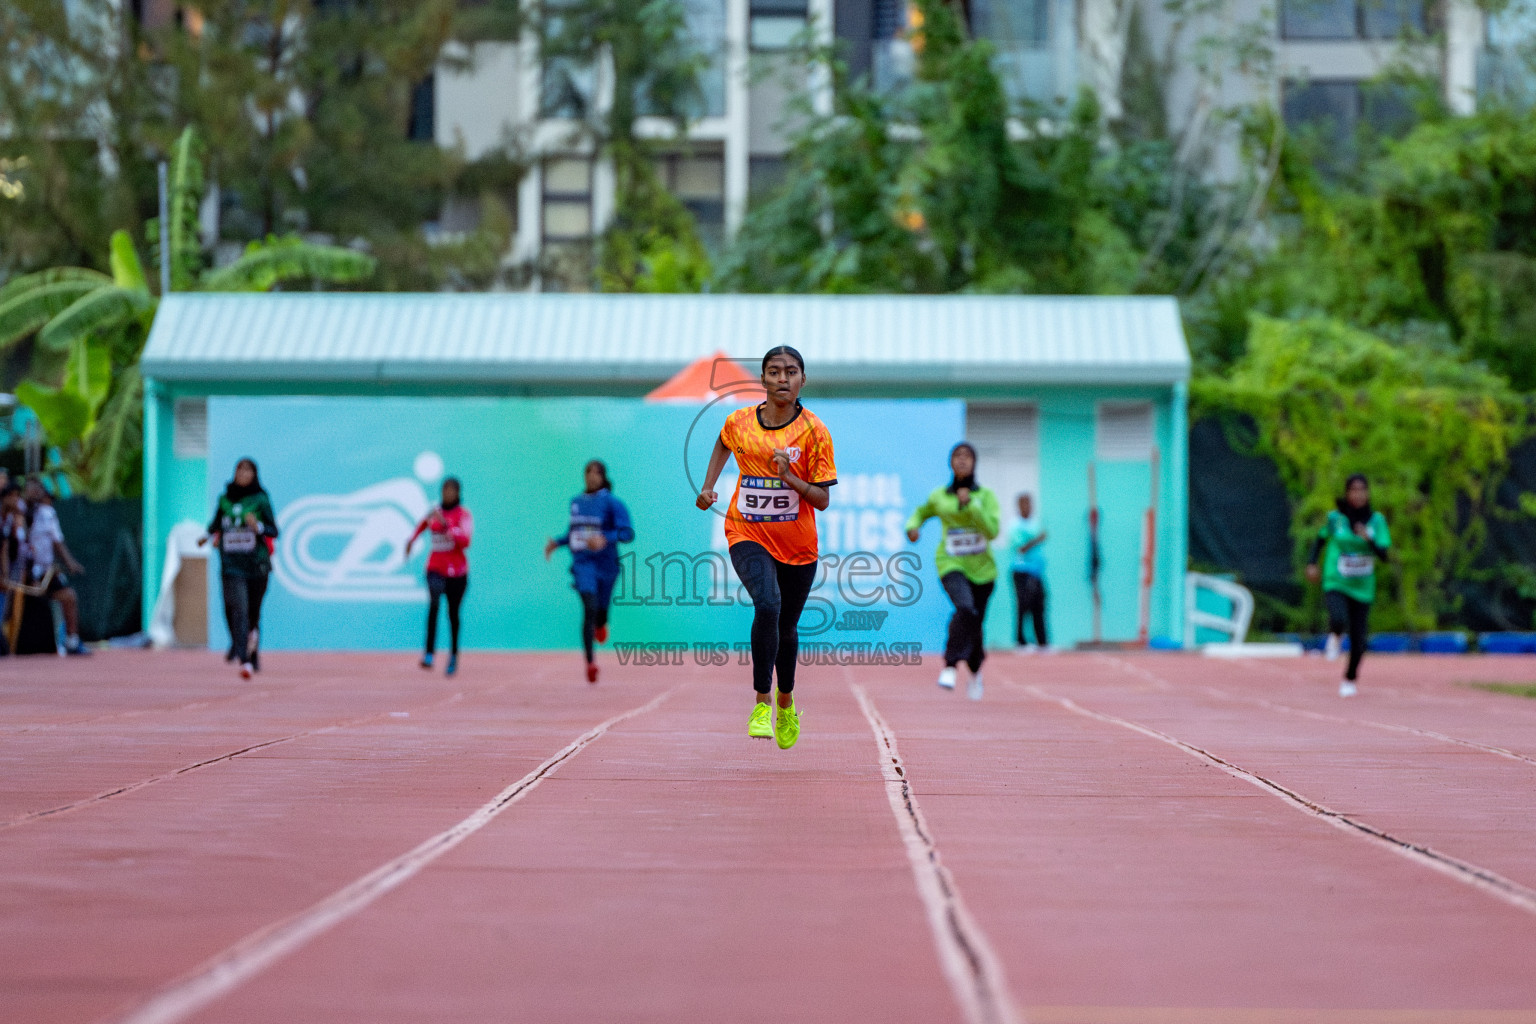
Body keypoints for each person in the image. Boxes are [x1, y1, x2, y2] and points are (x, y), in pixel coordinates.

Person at [696, 345, 836, 749]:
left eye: (790, 372)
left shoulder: (814, 431)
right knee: (768, 605)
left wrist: (789, 476)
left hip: (798, 547)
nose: (782, 378)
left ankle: (786, 702)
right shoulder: (739, 421)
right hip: (747, 533)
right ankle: (761, 703)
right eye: (774, 371)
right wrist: (709, 485)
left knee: (787, 627)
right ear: (762, 379)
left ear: (802, 381)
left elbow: (823, 499)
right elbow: (723, 442)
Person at [906, 443, 1000, 700]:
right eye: (957, 456)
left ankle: (975, 670)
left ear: (974, 462)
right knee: (965, 608)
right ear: (951, 462)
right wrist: (912, 527)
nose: (962, 461)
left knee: (975, 621)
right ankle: (950, 664)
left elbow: (992, 531)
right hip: (951, 564)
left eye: (967, 456)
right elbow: (921, 513)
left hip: (983, 570)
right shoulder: (940, 496)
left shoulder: (986, 496)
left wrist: (971, 505)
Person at [544, 460, 634, 684]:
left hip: (607, 567)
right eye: (588, 472)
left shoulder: (613, 503)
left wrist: (605, 538)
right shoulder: (576, 502)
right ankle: (590, 662)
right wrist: (558, 542)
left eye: (596, 473)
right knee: (589, 608)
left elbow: (628, 533)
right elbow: (575, 533)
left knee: (600, 613)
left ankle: (602, 624)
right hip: (583, 564)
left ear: (603, 477)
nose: (591, 476)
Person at [1306, 473, 1390, 697]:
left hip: (1362, 586)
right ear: (1347, 492)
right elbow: (1320, 539)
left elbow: (1384, 555)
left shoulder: (1376, 521)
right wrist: (1312, 563)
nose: (1358, 494)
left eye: (1362, 489)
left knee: (1359, 640)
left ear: (1368, 492)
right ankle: (1334, 636)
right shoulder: (1336, 518)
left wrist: (1368, 539)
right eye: (1353, 489)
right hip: (1337, 578)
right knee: (1338, 618)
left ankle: (1350, 678)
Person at [202, 459, 278, 678]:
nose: (243, 475)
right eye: (240, 470)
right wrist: (209, 536)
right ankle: (243, 659)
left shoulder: (260, 500)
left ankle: (252, 655)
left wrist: (259, 526)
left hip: (256, 565)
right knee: (237, 608)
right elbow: (215, 525)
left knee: (252, 613)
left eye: (248, 471)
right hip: (231, 564)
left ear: (254, 474)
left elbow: (274, 530)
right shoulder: (225, 500)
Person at [406, 477, 473, 677]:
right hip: (436, 567)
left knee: (453, 614)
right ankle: (429, 653)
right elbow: (423, 524)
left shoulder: (463, 515)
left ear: (458, 492)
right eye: (445, 490)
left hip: (458, 572)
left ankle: (453, 655)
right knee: (434, 602)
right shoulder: (436, 511)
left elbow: (465, 541)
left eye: (452, 490)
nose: (448, 494)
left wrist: (446, 526)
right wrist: (411, 539)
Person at [22, 478, 89, 655]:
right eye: (33, 489)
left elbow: (57, 542)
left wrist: (70, 563)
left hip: (45, 570)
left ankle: (71, 640)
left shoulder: (47, 513)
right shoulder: (19, 511)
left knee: (69, 596)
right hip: (23, 571)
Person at [1008, 492, 1049, 652]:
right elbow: (1021, 548)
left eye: (1030, 504)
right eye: (1024, 504)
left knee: (1039, 605)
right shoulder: (1015, 526)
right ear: (1019, 506)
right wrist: (1038, 539)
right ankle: (1020, 641)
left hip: (1036, 572)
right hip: (1021, 571)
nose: (1028, 507)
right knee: (1022, 605)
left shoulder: (1035, 523)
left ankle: (1042, 642)